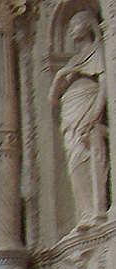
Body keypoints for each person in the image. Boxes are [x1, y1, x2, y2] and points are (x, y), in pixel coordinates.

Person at [50, 10, 109, 228]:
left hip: (88, 111)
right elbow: (52, 99)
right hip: (70, 115)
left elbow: (105, 87)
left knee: (90, 157)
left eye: (75, 24)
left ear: (87, 27)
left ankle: (97, 211)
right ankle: (84, 214)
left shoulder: (97, 51)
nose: (71, 29)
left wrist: (93, 116)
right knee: (75, 163)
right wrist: (58, 76)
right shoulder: (73, 62)